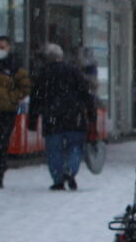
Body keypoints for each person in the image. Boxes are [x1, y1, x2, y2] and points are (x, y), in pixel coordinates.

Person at [28, 43, 95, 191]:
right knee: (75, 146)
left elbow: (35, 98)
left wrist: (32, 120)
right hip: (74, 117)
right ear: (61, 56)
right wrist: (92, 115)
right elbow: (87, 94)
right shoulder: (74, 71)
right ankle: (70, 169)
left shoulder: (43, 74)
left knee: (54, 150)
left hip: (52, 118)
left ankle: (58, 179)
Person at [0, 36, 33, 188]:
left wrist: (11, 97)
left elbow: (25, 87)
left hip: (7, 111)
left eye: (2, 47)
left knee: (1, 142)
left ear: (9, 47)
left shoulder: (15, 67)